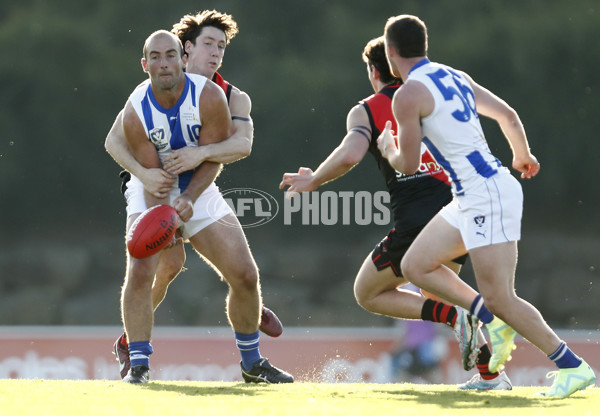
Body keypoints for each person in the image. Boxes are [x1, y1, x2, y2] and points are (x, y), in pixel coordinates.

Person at [379, 14, 595, 397]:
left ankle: (571, 366)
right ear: (424, 46)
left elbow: (407, 165)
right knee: (415, 266)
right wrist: (522, 155)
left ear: (391, 52)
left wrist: (389, 148)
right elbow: (507, 116)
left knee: (501, 299)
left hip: (485, 194)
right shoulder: (454, 75)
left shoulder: (407, 94)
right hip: (473, 193)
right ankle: (487, 316)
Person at [280, 37, 511, 390]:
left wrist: (314, 179)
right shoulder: (430, 97)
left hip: (418, 220)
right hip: (460, 211)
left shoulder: (367, 109)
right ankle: (491, 376)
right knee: (438, 291)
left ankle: (459, 316)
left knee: (367, 292)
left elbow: (350, 154)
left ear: (374, 71)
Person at [106, 10, 284, 381]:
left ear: (179, 58)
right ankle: (137, 360)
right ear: (187, 50)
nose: (216, 52)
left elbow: (237, 147)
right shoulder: (139, 103)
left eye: (221, 46)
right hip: (151, 181)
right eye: (209, 44)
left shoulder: (222, 96)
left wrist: (197, 169)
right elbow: (128, 153)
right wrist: (164, 209)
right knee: (147, 267)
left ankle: (252, 363)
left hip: (201, 184)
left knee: (246, 275)